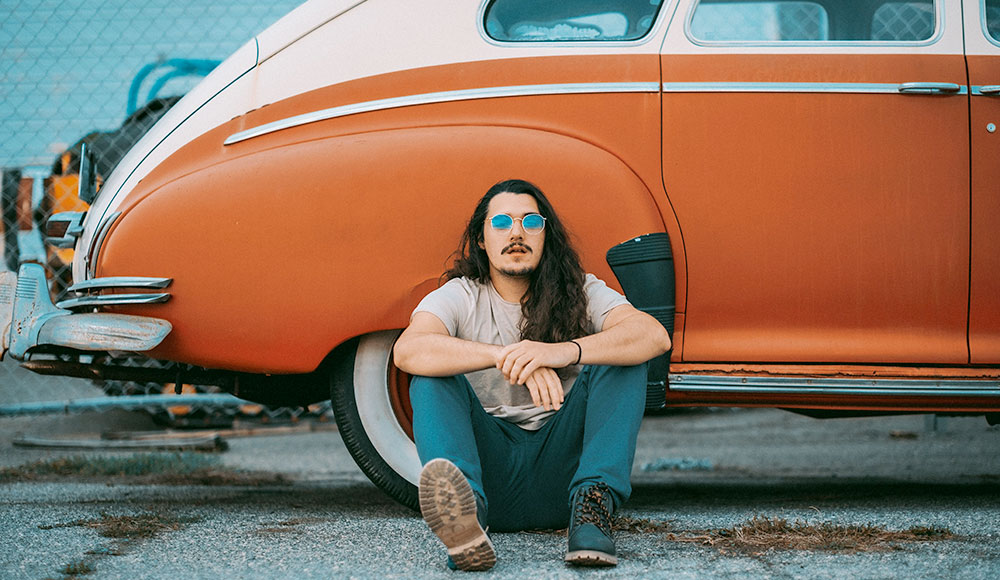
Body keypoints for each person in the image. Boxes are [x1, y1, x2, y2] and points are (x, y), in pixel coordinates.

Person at [393, 179, 671, 570]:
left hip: (567, 474)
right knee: (431, 375)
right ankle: (466, 520)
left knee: (622, 356)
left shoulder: (583, 290)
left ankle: (593, 511)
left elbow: (652, 336)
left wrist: (558, 352)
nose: (517, 233)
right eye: (502, 222)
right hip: (492, 474)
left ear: (546, 236)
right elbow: (408, 350)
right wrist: (509, 356)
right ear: (482, 239)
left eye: (531, 222)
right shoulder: (461, 295)